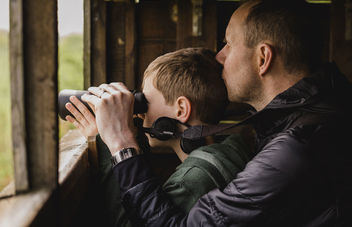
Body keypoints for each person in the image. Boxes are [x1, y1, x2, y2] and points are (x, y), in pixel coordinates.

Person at [83, 0, 352, 226]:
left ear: (263, 58)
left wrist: (122, 143)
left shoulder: (297, 149)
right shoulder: (336, 106)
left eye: (229, 44)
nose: (219, 57)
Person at [65, 48, 254, 226]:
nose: (140, 114)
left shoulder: (194, 180)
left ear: (181, 109)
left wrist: (111, 142)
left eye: (144, 102)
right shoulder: (230, 151)